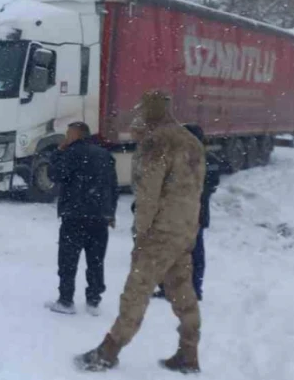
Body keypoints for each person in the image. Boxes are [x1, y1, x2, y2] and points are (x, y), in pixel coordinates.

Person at [76, 91, 206, 374]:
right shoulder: (192, 142)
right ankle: (189, 351)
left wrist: (141, 232)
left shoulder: (156, 142)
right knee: (182, 289)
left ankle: (109, 350)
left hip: (159, 231)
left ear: (150, 113)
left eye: (141, 111)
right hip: (185, 230)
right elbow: (196, 188)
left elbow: (148, 194)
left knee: (137, 290)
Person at [45, 121, 118, 316]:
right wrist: (110, 213)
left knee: (68, 260)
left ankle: (66, 300)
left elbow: (54, 175)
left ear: (77, 135)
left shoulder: (71, 153)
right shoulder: (105, 155)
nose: (66, 137)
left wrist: (58, 153)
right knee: (96, 260)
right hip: (99, 216)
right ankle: (94, 300)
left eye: (69, 133)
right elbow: (113, 186)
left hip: (75, 215)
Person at [154, 124, 223, 302]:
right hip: (197, 213)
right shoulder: (210, 159)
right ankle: (194, 288)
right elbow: (212, 185)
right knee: (195, 252)